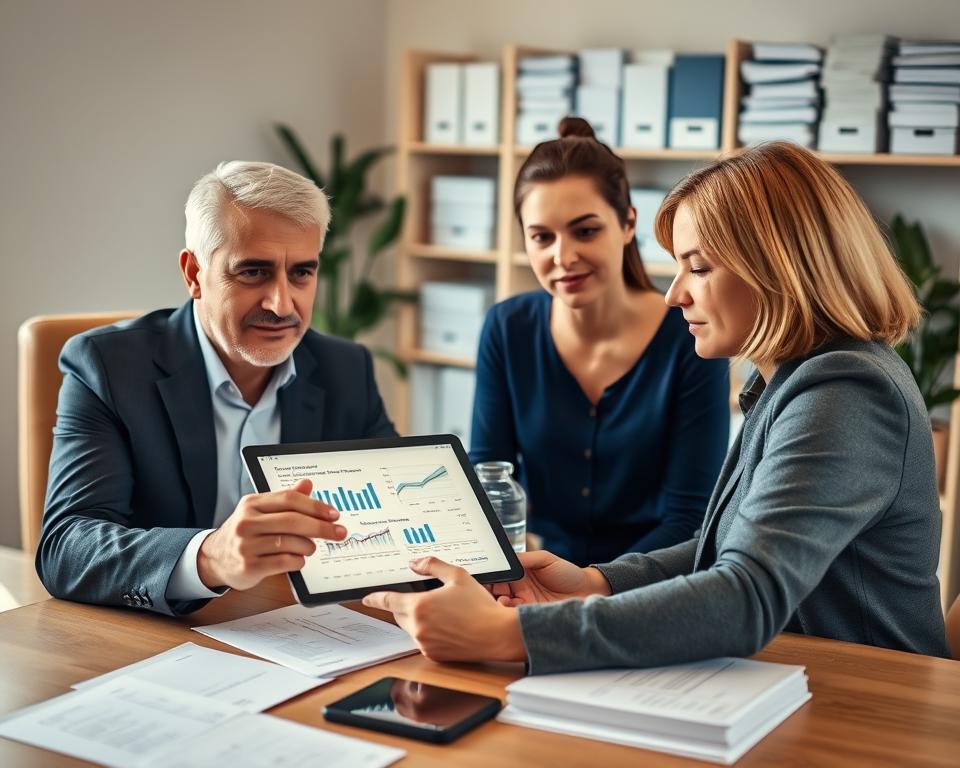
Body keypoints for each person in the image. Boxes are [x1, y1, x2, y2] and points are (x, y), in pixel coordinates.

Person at [364, 141, 951, 670]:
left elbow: (744, 596)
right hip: (791, 675)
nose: (675, 293)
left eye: (698, 267)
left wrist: (512, 633)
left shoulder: (845, 392)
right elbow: (721, 549)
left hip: (868, 698)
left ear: (779, 269)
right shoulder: (793, 381)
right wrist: (597, 582)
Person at [37, 161, 397, 616]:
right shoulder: (107, 367)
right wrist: (210, 557)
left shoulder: (346, 368)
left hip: (301, 630)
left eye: (302, 273)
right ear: (193, 274)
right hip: (160, 641)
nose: (282, 304)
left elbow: (394, 518)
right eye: (253, 272)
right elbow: (66, 547)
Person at [469, 117, 729, 565]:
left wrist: (591, 584)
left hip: (654, 587)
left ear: (628, 224)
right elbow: (489, 480)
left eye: (585, 231)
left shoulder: (691, 334)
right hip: (537, 578)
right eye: (541, 237)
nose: (562, 257)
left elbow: (690, 517)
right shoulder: (506, 327)